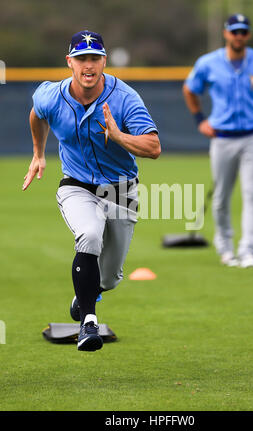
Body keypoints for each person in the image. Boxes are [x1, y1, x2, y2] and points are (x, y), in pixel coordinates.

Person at [23, 30, 160, 351]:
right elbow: (36, 114)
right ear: (69, 62)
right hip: (77, 186)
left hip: (121, 190)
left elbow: (153, 147)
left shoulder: (125, 98)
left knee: (110, 277)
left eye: (94, 58)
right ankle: (88, 323)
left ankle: (85, 294)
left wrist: (120, 136)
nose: (88, 65)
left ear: (104, 61)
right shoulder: (50, 96)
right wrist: (38, 153)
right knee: (90, 234)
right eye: (81, 58)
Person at [183, 14, 253, 268]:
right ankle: (226, 248)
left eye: (243, 32)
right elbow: (190, 89)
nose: (239, 36)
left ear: (248, 35)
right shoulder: (209, 63)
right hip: (223, 138)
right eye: (234, 31)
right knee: (221, 197)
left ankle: (247, 250)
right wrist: (200, 119)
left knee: (252, 194)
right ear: (226, 33)